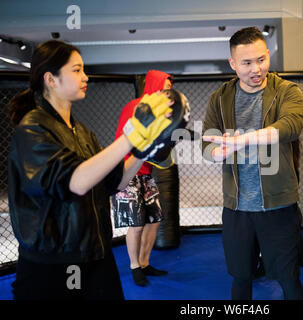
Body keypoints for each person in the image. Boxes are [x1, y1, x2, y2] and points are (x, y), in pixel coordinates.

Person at [7, 40, 177, 299]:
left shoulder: (83, 132)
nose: (85, 76)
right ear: (51, 79)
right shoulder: (32, 129)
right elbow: (75, 182)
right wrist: (132, 136)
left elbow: (116, 182)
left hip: (96, 254)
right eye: (76, 70)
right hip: (54, 265)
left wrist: (144, 150)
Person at [202, 27, 303, 300]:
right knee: (241, 278)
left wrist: (244, 140)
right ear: (233, 64)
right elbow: (207, 146)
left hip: (278, 204)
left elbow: (292, 125)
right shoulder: (220, 98)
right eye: (247, 62)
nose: (255, 69)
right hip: (237, 207)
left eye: (261, 59)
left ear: (268, 55)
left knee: (289, 278)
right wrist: (220, 151)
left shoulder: (286, 90)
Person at [112, 70, 172, 286]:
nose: (167, 94)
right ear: (154, 87)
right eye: (164, 89)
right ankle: (134, 266)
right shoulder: (136, 107)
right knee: (136, 225)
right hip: (128, 172)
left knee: (154, 221)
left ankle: (145, 263)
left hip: (146, 172)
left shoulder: (161, 111)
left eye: (169, 90)